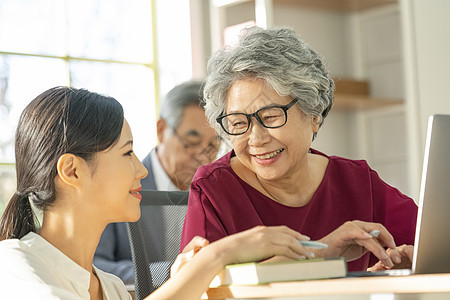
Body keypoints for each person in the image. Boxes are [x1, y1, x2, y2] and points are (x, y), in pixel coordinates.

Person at [0, 86, 328, 300]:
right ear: (72, 171)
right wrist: (217, 256)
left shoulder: (110, 288)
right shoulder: (14, 267)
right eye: (127, 153)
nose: (141, 169)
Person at [180, 26, 418, 272]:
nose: (256, 138)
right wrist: (321, 251)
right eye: (239, 123)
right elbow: (202, 285)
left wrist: (394, 271)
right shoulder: (214, 189)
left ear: (313, 114)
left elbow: (434, 239)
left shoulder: (356, 182)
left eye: (271, 117)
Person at [93, 80, 221, 284]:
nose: (203, 158)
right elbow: (94, 265)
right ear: (161, 130)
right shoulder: (115, 183)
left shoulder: (217, 193)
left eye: (213, 146)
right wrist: (172, 271)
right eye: (192, 142)